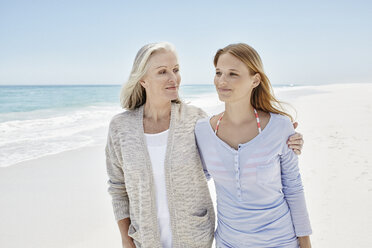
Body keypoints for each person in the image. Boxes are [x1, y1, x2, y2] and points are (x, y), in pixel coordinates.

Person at [105, 42, 304, 248]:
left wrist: (283, 139)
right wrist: (126, 239)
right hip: (143, 241)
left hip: (195, 239)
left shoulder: (195, 121)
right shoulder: (120, 127)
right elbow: (118, 188)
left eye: (176, 70)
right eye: (162, 72)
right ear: (142, 79)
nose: (173, 78)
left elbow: (228, 152)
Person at [195, 43, 312, 248]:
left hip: (280, 241)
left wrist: (306, 243)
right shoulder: (203, 131)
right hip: (228, 242)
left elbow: (293, 187)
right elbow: (193, 179)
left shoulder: (280, 126)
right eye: (218, 72)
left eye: (233, 74)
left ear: (255, 80)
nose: (222, 81)